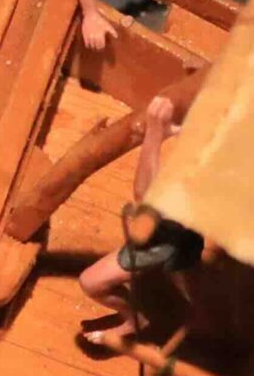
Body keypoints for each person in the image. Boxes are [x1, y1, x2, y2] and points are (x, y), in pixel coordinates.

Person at [78, 93, 202, 312]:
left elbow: (146, 196)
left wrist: (154, 134)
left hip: (170, 238)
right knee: (185, 274)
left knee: (92, 282)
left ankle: (132, 319)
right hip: (185, 232)